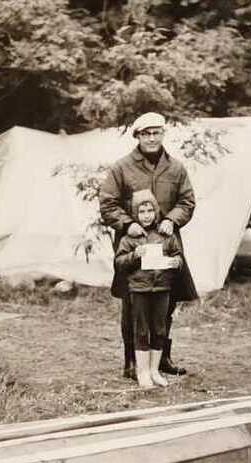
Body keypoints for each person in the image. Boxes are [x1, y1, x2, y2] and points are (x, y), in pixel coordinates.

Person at [99, 112, 198, 380]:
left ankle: (161, 358)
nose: (152, 138)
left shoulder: (176, 168)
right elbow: (108, 203)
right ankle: (132, 361)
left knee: (166, 302)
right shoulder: (122, 168)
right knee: (134, 303)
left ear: (163, 134)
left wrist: (171, 220)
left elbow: (186, 202)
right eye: (146, 133)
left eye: (156, 132)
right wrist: (127, 224)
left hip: (166, 245)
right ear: (138, 136)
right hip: (134, 248)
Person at [115, 190, 183, 387]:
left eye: (150, 210)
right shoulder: (129, 238)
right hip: (139, 290)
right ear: (135, 214)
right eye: (142, 211)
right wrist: (135, 255)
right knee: (141, 330)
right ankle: (142, 371)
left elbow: (179, 258)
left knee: (160, 329)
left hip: (162, 288)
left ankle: (154, 371)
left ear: (156, 211)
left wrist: (174, 262)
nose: (147, 215)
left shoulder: (165, 235)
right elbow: (119, 263)